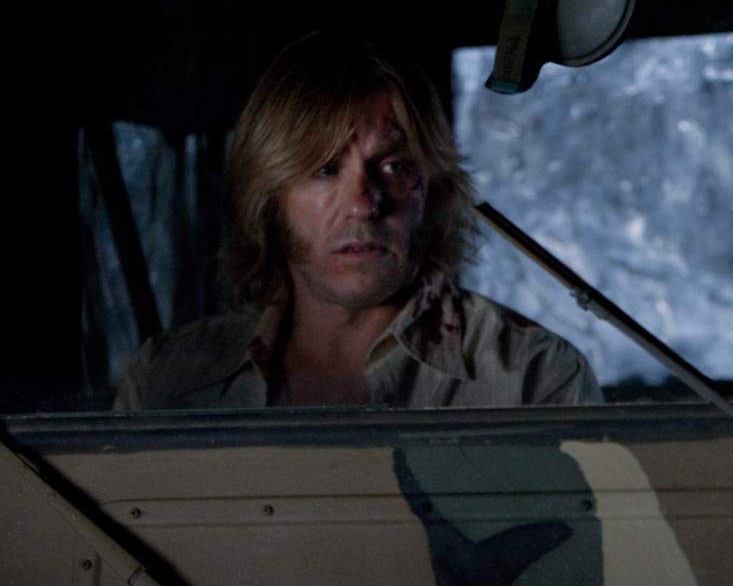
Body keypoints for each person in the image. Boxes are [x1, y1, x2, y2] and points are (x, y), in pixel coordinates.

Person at [116, 32, 601, 410]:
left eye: (394, 167)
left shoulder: (532, 378)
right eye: (326, 169)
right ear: (269, 198)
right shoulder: (169, 381)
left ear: (431, 192)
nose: (363, 204)